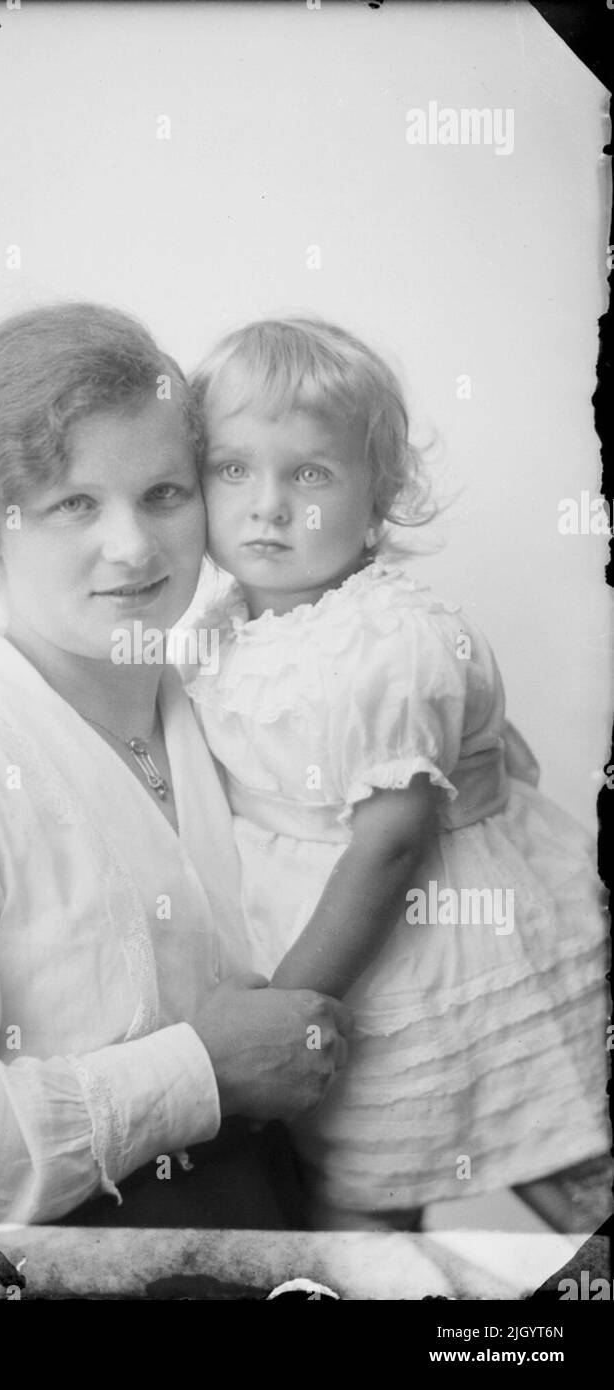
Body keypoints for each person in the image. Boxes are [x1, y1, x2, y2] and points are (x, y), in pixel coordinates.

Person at [0, 303, 351, 1227]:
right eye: (73, 504)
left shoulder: (245, 710)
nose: (133, 547)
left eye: (165, 494)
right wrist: (198, 1071)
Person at [182, 316, 612, 1232]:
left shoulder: (387, 637)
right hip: (329, 953)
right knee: (360, 1207)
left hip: (427, 946)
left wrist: (293, 1005)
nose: (267, 504)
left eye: (310, 472)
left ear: (380, 493)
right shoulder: (217, 630)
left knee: (555, 1154)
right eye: (232, 469)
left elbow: (388, 846)